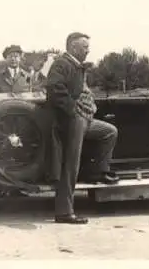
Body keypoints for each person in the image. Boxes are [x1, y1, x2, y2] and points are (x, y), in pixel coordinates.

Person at [45, 32, 120, 225]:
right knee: (70, 166)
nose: (88, 51)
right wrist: (73, 112)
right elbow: (55, 90)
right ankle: (64, 212)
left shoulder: (75, 66)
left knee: (109, 132)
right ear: (73, 48)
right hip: (72, 121)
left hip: (84, 118)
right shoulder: (62, 64)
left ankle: (97, 172)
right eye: (85, 47)